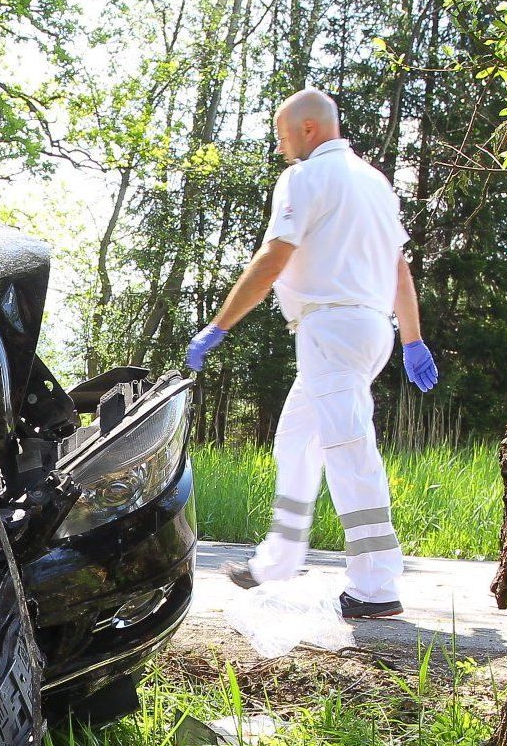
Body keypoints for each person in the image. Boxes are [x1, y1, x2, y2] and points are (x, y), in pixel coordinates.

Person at [185, 88, 438, 620]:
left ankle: (375, 586)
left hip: (331, 328)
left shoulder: (305, 177)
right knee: (296, 442)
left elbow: (274, 256)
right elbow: (398, 269)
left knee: (350, 450)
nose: (279, 147)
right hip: (369, 328)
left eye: (282, 135)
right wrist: (411, 339)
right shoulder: (375, 182)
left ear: (308, 128)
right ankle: (276, 562)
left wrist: (219, 325)